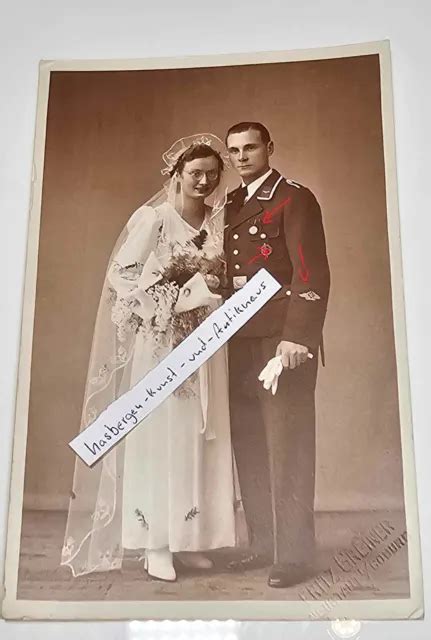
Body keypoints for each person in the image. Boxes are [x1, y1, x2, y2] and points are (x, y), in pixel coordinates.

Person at [61, 135, 238, 582]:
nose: (204, 181)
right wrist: (162, 304)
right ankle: (155, 543)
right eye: (195, 173)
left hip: (206, 342)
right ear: (176, 176)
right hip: (162, 343)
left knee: (200, 435)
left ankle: (189, 540)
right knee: (162, 437)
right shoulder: (153, 219)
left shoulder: (219, 221)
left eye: (212, 175)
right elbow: (120, 276)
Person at [224, 122, 330, 588]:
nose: (242, 157)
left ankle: (296, 555)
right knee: (249, 444)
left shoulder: (294, 197)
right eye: (234, 151)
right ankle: (262, 544)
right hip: (239, 340)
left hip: (280, 343)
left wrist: (299, 339)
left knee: (287, 445)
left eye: (250, 148)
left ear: (269, 148)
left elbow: (312, 272)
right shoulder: (231, 204)